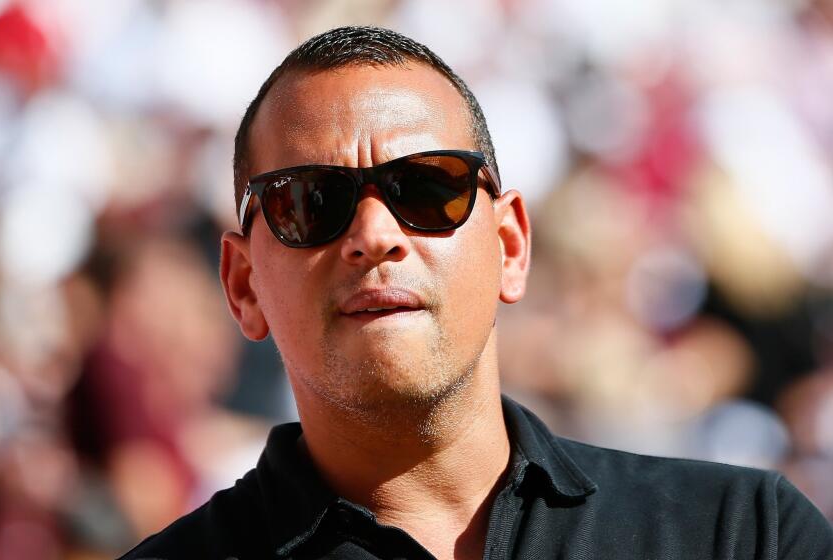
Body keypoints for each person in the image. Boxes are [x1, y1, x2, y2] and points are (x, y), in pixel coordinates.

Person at [119, 26, 833, 560]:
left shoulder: (743, 535)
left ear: (510, 247)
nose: (374, 234)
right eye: (309, 202)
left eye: (429, 188)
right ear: (243, 286)